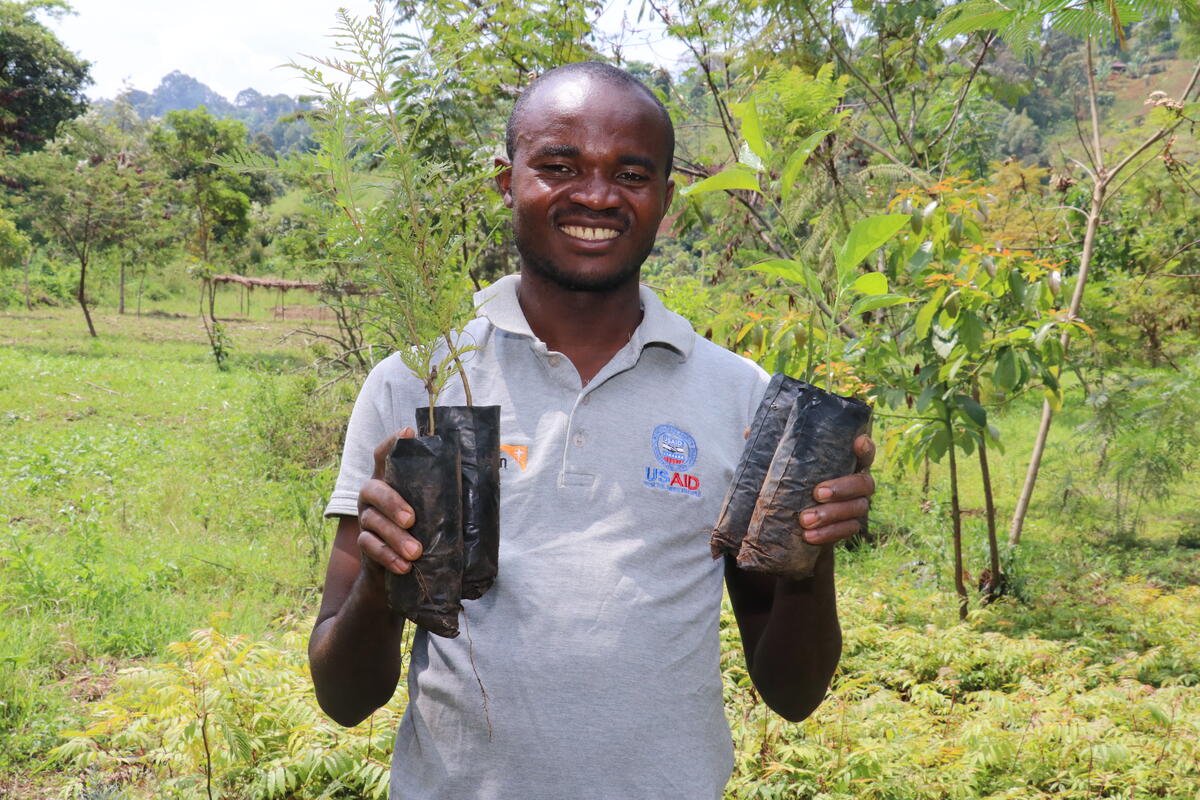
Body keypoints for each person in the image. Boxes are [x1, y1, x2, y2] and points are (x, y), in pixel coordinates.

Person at [308, 62, 876, 799]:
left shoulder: (740, 397)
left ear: (666, 200)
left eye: (631, 173)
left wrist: (812, 552)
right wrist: (386, 581)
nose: (597, 195)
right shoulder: (417, 382)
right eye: (558, 165)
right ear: (506, 181)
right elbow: (343, 697)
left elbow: (792, 694)